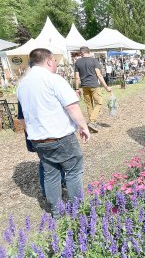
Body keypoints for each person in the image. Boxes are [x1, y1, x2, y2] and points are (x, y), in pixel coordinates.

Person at [17, 48, 90, 218]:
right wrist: (83, 126)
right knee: (73, 171)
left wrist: (34, 133)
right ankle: (78, 211)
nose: (56, 64)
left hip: (38, 139)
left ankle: (57, 213)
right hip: (61, 137)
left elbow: (22, 119)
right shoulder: (53, 79)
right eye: (55, 61)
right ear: (49, 61)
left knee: (51, 175)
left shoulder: (22, 85)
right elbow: (71, 106)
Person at [75, 46, 112, 133]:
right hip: (94, 86)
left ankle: (92, 123)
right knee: (99, 103)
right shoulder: (94, 61)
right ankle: (92, 121)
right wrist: (106, 87)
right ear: (89, 52)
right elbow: (99, 75)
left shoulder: (77, 62)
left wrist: (77, 88)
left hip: (84, 86)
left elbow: (76, 77)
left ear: (82, 53)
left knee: (89, 105)